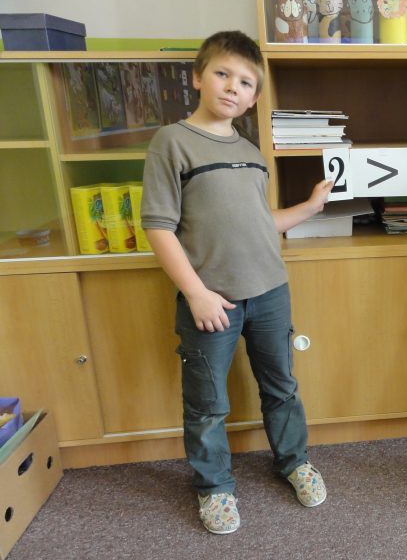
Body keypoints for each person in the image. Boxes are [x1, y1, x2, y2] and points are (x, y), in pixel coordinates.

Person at [141, 31, 333, 535]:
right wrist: (196, 293)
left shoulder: (251, 151)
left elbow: (260, 223)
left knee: (282, 387)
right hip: (211, 302)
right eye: (223, 74)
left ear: (254, 97)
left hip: (270, 292)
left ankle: (294, 461)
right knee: (207, 402)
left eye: (246, 82)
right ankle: (214, 487)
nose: (232, 87)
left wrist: (311, 207)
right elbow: (158, 227)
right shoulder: (171, 142)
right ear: (198, 77)